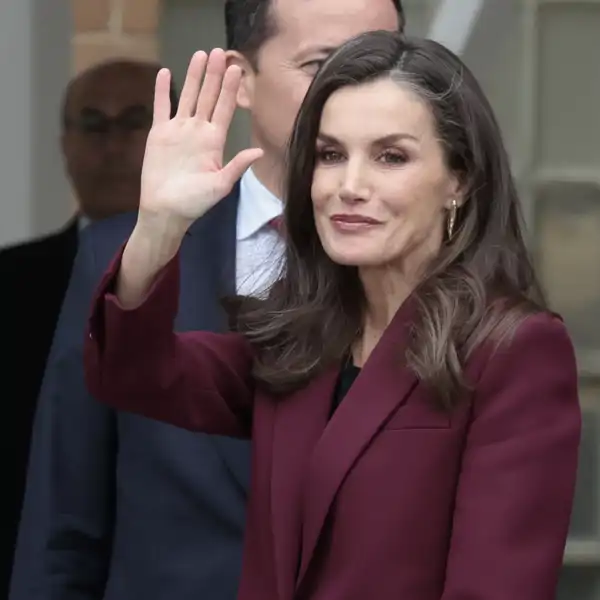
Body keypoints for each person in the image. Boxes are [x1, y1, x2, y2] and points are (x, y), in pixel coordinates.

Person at [85, 34, 581, 600]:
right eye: (331, 155)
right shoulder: (300, 340)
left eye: (390, 157)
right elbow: (130, 371)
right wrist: (160, 227)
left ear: (459, 181)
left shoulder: (513, 351)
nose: (349, 187)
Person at [10, 1, 406, 599]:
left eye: (385, 64)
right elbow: (64, 523)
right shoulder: (124, 256)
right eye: (324, 65)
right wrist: (160, 231)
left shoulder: (437, 271)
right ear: (240, 81)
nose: (360, 95)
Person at [1, 58, 174, 598]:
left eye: (134, 122)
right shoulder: (9, 283)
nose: (113, 145)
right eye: (94, 125)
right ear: (65, 144)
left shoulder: (234, 271)